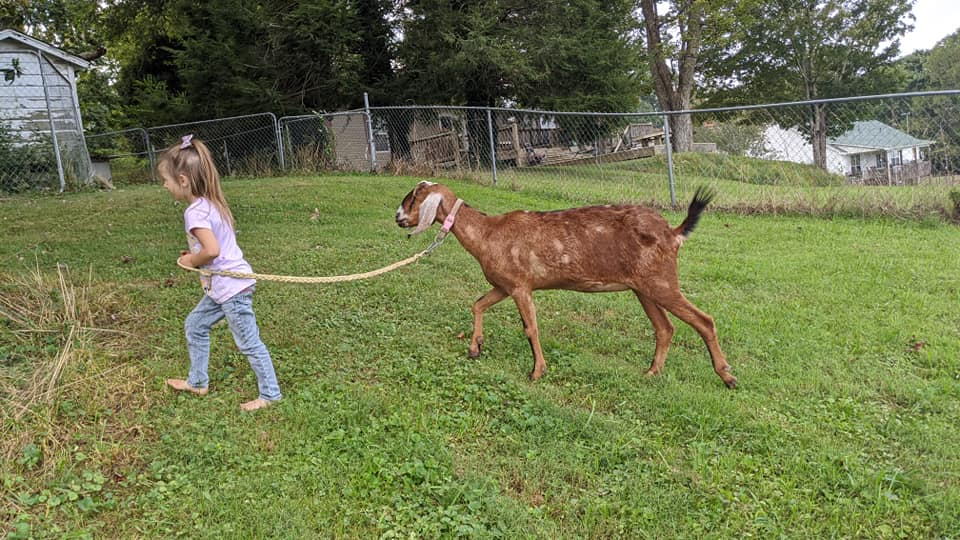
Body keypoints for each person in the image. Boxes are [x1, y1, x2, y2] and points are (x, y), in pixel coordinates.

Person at [158, 134, 281, 411]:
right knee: (195, 325)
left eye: (165, 179)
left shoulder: (195, 212)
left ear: (183, 180)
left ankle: (271, 395)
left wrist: (193, 260)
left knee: (248, 342)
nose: (164, 185)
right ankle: (198, 382)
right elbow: (212, 249)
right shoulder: (210, 204)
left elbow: (211, 250)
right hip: (222, 287)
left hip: (231, 289)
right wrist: (194, 256)